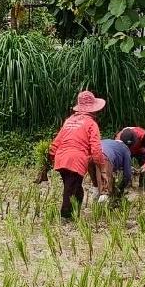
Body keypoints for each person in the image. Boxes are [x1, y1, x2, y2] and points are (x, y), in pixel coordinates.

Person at [48, 91, 107, 220]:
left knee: (77, 190)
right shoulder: (91, 124)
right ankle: (65, 217)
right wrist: (102, 169)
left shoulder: (69, 121)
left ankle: (75, 216)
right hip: (76, 160)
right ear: (94, 110)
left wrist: (51, 159)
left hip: (61, 158)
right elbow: (96, 151)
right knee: (69, 191)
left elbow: (55, 144)